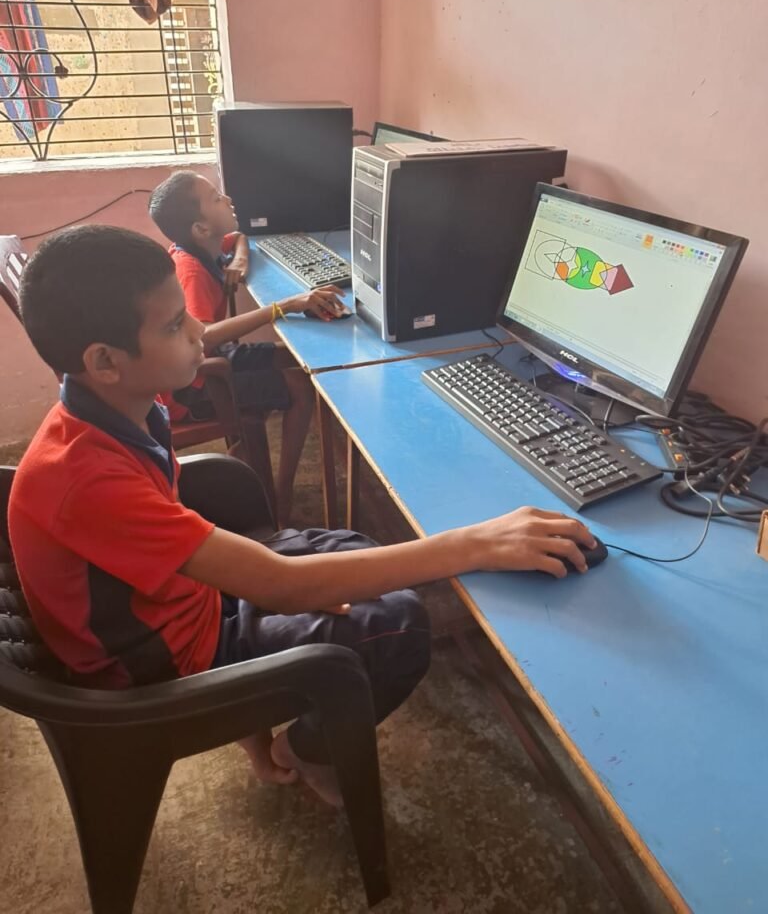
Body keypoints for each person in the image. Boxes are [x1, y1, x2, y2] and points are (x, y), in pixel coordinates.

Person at [8, 225, 596, 806]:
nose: (198, 331)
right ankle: (306, 750)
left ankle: (290, 733)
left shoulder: (120, 407)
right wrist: (476, 544)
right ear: (105, 361)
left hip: (181, 608)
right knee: (399, 625)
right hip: (158, 673)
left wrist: (305, 597)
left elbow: (202, 565)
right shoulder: (87, 480)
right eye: (174, 325)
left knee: (357, 552)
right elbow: (283, 586)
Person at [149, 170, 346, 526]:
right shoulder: (190, 271)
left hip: (210, 361)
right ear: (201, 229)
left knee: (292, 357)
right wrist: (284, 306)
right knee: (300, 386)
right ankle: (281, 496)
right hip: (191, 388)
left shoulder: (201, 245)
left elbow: (239, 237)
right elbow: (204, 337)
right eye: (216, 198)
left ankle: (264, 464)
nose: (228, 199)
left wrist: (240, 258)